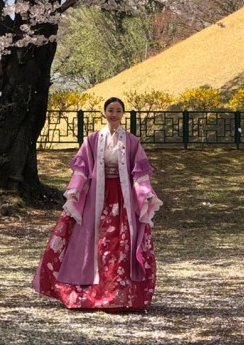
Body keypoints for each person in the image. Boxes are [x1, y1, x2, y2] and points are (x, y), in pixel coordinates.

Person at [32, 96, 163, 311]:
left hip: (122, 200)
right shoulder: (92, 140)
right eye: (110, 110)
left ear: (123, 114)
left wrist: (145, 193)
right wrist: (75, 189)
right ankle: (88, 293)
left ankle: (121, 294)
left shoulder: (132, 142)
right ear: (104, 112)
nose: (114, 114)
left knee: (120, 242)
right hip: (96, 197)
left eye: (118, 110)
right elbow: (82, 169)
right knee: (92, 241)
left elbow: (139, 174)